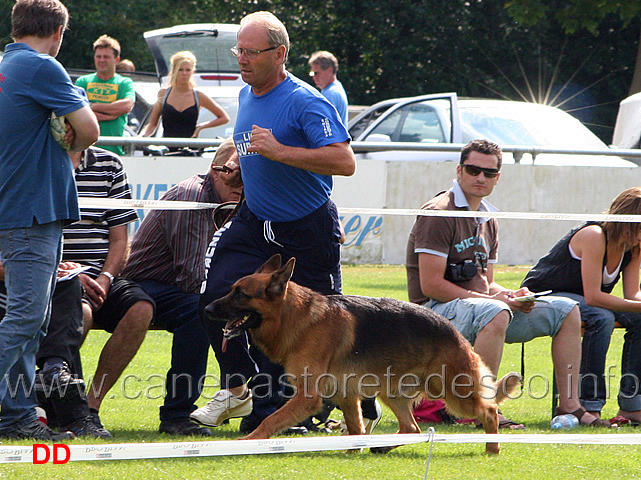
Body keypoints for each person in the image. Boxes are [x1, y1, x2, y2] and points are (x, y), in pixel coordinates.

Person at [189, 11, 362, 435]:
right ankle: (242, 386)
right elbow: (253, 146)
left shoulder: (306, 100)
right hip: (254, 221)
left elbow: (344, 161)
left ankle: (303, 410)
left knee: (319, 328)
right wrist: (238, 161)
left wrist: (281, 151)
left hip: (305, 227)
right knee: (215, 299)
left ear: (279, 53)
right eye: (239, 51)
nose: (242, 59)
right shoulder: (247, 95)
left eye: (251, 52)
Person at [405, 139, 611, 428]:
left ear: (497, 178)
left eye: (488, 173)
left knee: (566, 310)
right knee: (495, 311)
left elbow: (485, 284)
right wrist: (495, 302)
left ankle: (570, 407)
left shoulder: (488, 217)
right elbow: (431, 286)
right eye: (474, 170)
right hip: (432, 315)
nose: (480, 178)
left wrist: (511, 294)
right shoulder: (440, 211)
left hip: (480, 310)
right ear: (459, 170)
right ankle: (483, 409)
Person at [0, 0, 99, 440]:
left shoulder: (7, 65)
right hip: (31, 213)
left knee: (31, 318)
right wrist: (71, 131)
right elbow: (91, 130)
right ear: (58, 32)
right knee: (24, 318)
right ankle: (16, 414)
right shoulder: (42, 68)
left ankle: (17, 415)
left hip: (19, 209)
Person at [120, 138, 242, 436]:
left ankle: (259, 404)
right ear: (217, 171)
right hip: (146, 285)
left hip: (178, 285)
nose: (242, 191)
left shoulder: (234, 197)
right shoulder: (193, 196)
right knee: (199, 310)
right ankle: (177, 414)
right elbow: (191, 275)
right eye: (236, 183)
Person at [522, 187, 641, 425]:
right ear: (626, 220)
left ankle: (632, 404)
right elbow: (594, 297)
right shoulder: (594, 235)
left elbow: (632, 293)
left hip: (585, 300)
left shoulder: (635, 246)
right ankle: (589, 405)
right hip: (547, 295)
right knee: (601, 317)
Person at [63, 146, 155, 432]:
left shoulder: (109, 164)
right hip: (55, 274)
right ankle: (63, 407)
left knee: (141, 308)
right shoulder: (37, 157)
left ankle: (91, 407)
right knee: (81, 313)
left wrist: (105, 278)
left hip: (101, 276)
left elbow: (119, 239)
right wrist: (67, 272)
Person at [142, 50, 230, 144]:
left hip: (191, 149)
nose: (184, 73)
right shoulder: (164, 94)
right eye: (180, 69)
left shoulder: (198, 96)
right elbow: (152, 125)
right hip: (167, 149)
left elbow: (224, 118)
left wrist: (201, 127)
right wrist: (142, 138)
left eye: (188, 70)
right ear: (174, 70)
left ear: (193, 71)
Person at [75, 34, 135, 156]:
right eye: (98, 56)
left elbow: (126, 105)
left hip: (114, 150)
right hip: (84, 151)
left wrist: (91, 107)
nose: (102, 60)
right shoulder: (83, 81)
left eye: (106, 57)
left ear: (116, 59)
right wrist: (111, 112)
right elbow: (77, 110)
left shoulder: (124, 82)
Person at [308, 50, 348, 125]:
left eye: (316, 73)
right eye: (312, 73)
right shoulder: (337, 87)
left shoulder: (330, 94)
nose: (314, 77)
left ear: (329, 70)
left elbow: (323, 126)